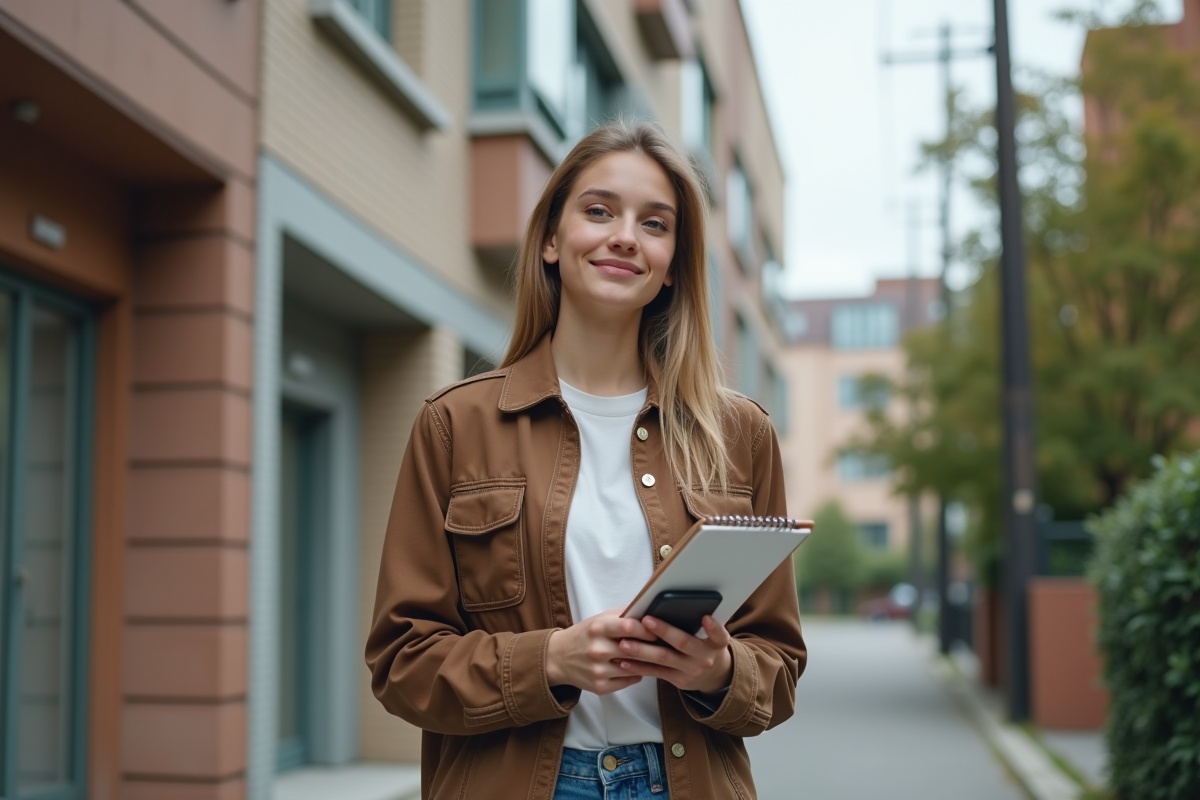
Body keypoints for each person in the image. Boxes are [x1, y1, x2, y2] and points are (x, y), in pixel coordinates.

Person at [366, 120, 805, 800]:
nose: (626, 235)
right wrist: (548, 660)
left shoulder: (739, 434)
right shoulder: (454, 425)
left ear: (670, 269)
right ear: (550, 239)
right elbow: (402, 664)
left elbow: (779, 670)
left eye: (655, 224)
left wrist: (719, 670)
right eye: (598, 211)